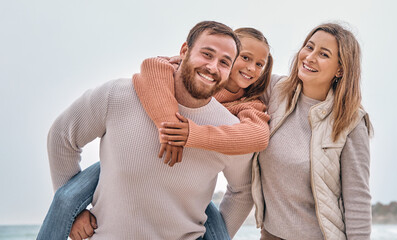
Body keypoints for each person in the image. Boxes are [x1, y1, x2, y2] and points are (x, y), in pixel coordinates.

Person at [39, 21, 254, 240]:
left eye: (224, 62)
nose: (213, 67)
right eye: (207, 54)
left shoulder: (229, 130)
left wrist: (218, 235)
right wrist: (73, 214)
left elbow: (243, 190)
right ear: (184, 51)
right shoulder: (118, 95)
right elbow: (61, 136)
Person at [251, 23, 373, 240]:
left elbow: (357, 199)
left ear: (340, 69)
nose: (310, 57)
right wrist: (175, 65)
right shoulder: (276, 90)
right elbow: (229, 81)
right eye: (309, 47)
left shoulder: (350, 121)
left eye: (323, 54)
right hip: (270, 234)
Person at [133, 27, 273, 166]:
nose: (252, 68)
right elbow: (152, 65)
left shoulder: (247, 103)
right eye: (245, 58)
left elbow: (259, 137)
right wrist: (171, 129)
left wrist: (194, 134)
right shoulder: (193, 72)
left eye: (259, 64)